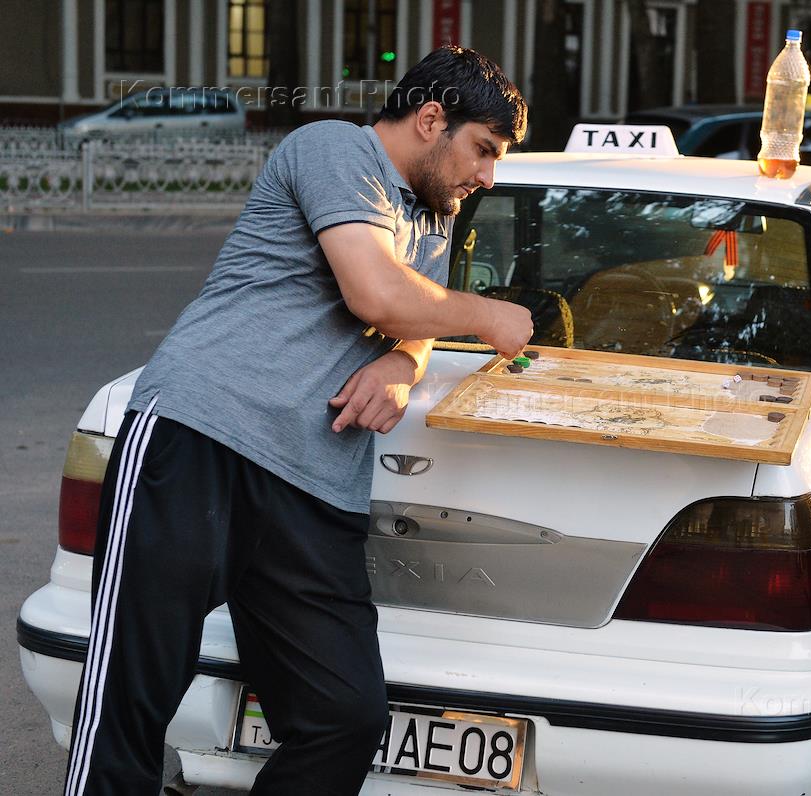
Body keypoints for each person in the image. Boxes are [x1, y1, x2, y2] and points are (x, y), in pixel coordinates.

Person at [63, 46, 533, 795]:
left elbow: (414, 319)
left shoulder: (432, 219)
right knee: (131, 702)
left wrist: (400, 366)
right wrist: (491, 316)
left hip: (314, 484)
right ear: (431, 118)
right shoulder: (333, 148)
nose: (487, 176)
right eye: (483, 151)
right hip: (203, 434)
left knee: (342, 714)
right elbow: (379, 293)